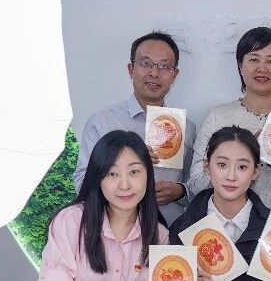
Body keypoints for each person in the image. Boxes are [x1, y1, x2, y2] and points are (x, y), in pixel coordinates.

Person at [171, 126, 271, 281]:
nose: (231, 176)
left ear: (255, 172)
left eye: (242, 167)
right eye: (222, 165)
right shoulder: (182, 228)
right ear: (207, 166)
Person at [185, 26, 271, 212]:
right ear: (240, 65)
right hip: (225, 223)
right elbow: (195, 185)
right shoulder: (217, 116)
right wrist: (241, 153)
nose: (262, 68)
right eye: (254, 59)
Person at [74, 32, 196, 224]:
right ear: (131, 69)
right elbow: (83, 183)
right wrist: (128, 160)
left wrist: (180, 191)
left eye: (164, 66)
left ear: (174, 75)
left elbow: (195, 184)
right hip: (116, 230)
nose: (154, 73)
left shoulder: (186, 128)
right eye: (146, 63)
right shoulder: (102, 122)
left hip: (169, 233)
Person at [40, 130, 167, 281]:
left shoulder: (159, 235)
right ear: (97, 178)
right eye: (112, 174)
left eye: (134, 172)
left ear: (148, 175)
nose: (125, 185)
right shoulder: (71, 221)